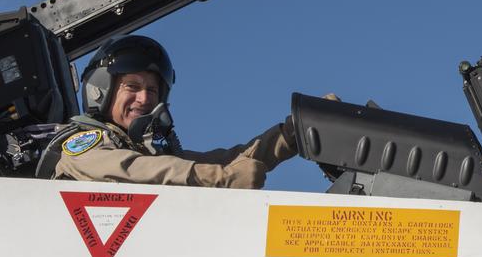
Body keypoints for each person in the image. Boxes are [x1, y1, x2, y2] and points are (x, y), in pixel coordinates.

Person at [39, 35, 294, 187]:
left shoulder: (147, 151)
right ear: (101, 89)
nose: (144, 98)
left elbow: (227, 160)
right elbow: (131, 170)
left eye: (152, 90)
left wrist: (291, 135)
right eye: (133, 86)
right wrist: (217, 179)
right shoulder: (82, 145)